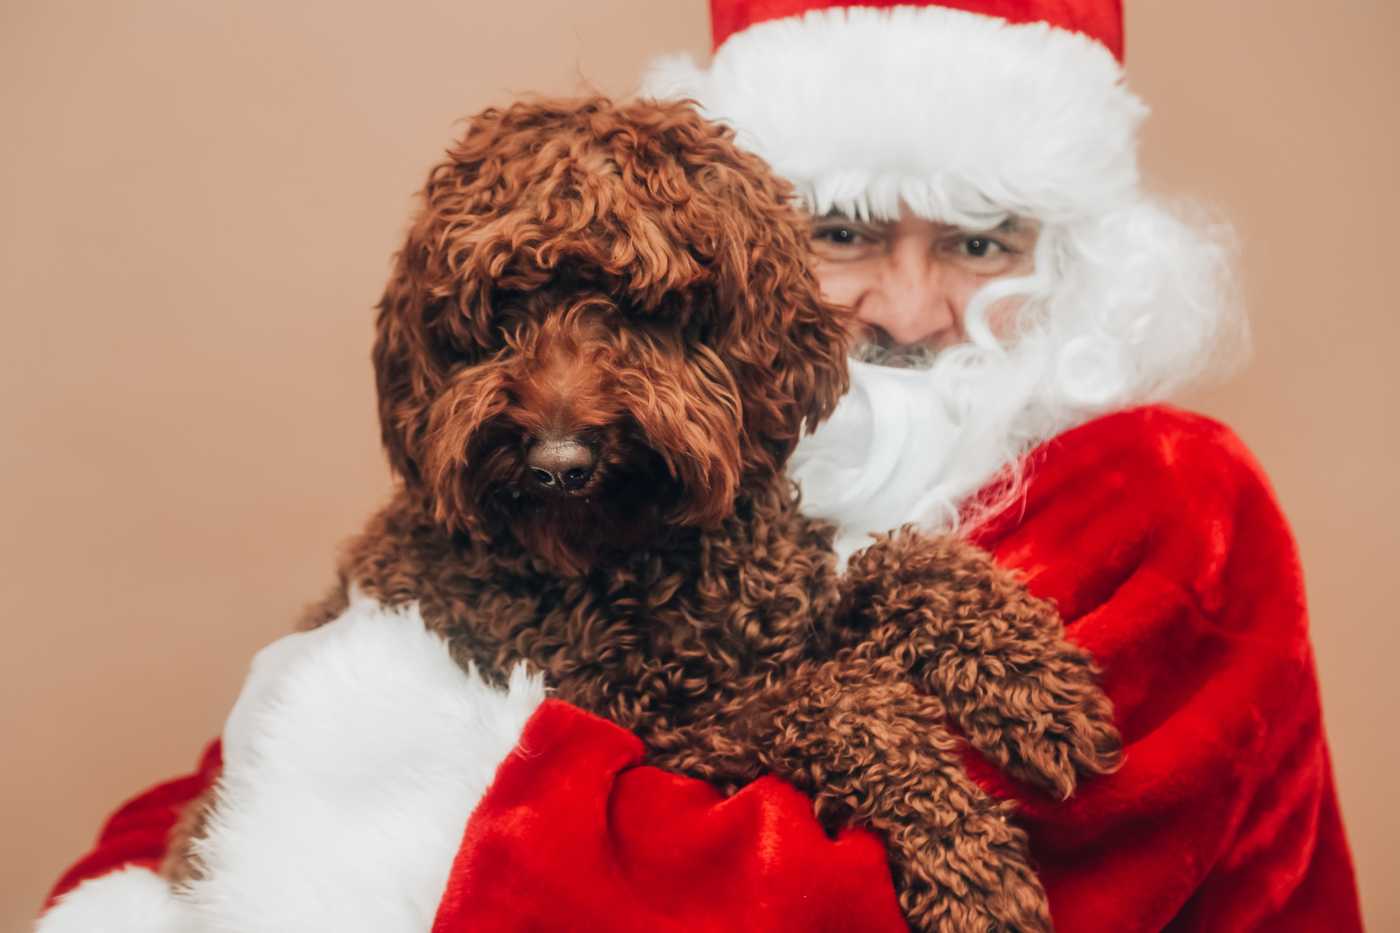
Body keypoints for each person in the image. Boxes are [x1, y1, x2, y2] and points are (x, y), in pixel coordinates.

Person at [37, 2, 1362, 931]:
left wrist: (394, 770)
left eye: (978, 241)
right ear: (756, 269)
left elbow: (822, 904)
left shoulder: (1170, 501)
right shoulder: (704, 490)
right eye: (845, 232)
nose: (905, 312)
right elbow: (247, 771)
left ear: (1077, 260)